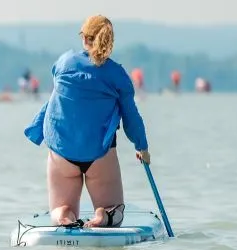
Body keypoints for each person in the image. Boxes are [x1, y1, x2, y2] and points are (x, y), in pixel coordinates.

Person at [24, 15, 150, 228]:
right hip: (99, 155)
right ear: (109, 41)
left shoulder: (64, 62)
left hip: (61, 152)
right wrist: (142, 147)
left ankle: (64, 215)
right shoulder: (117, 74)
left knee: (60, 208)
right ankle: (103, 215)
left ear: (84, 38)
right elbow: (131, 117)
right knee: (114, 211)